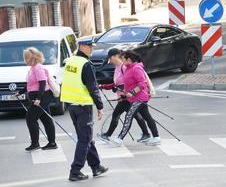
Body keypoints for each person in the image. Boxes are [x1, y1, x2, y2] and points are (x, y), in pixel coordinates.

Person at [60, 37, 108, 181]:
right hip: (83, 105)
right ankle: (75, 170)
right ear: (81, 47)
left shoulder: (70, 61)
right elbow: (92, 87)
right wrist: (100, 106)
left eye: (92, 46)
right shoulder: (85, 64)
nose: (92, 49)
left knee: (85, 138)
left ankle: (96, 166)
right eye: (89, 46)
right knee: (84, 139)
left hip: (72, 106)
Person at [97, 48, 151, 143]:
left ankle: (109, 135)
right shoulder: (117, 68)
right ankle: (146, 133)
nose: (110, 61)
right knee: (137, 115)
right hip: (124, 96)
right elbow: (115, 84)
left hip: (128, 96)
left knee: (117, 114)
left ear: (116, 56)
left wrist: (124, 94)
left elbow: (130, 82)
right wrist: (103, 86)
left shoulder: (124, 67)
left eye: (110, 58)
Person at [108, 49, 161, 146]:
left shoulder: (136, 68)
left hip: (140, 98)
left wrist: (132, 92)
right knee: (147, 117)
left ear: (129, 59)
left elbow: (142, 84)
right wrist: (123, 95)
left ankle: (120, 138)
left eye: (123, 59)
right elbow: (128, 85)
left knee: (129, 116)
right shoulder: (128, 68)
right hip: (134, 98)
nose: (121, 61)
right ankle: (156, 137)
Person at [14, 47, 57, 151]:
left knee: (30, 118)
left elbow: (42, 83)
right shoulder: (32, 69)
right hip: (39, 96)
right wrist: (20, 92)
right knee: (46, 119)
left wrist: (38, 99)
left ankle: (35, 143)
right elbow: (30, 85)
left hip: (43, 95)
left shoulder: (38, 68)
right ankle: (52, 142)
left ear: (33, 58)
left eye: (27, 58)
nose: (25, 60)